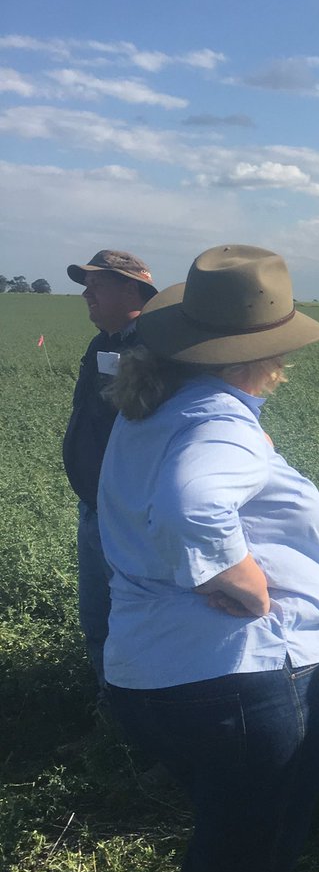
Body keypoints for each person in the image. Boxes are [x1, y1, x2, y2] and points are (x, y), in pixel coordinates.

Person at [99, 245, 319, 872]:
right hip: (239, 681)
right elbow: (192, 504)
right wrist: (238, 582)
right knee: (243, 865)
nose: (285, 357)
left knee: (229, 852)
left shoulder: (156, 407)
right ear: (256, 349)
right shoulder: (216, 418)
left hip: (157, 673)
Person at [62, 249, 157, 688]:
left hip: (131, 517)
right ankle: (110, 726)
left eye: (96, 284)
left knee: (133, 628)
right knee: (98, 623)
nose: (86, 294)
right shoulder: (102, 343)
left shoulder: (155, 348)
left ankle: (139, 738)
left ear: (132, 288)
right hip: (95, 509)